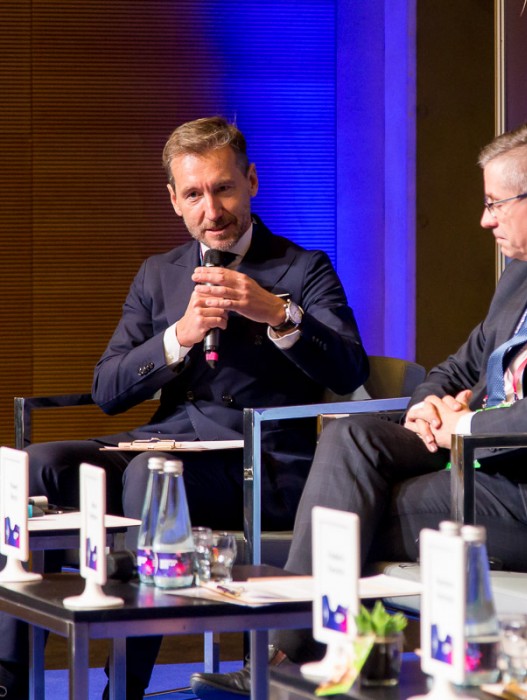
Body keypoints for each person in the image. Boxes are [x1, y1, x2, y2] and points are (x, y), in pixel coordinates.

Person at [189, 120, 527, 698]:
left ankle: (287, 660)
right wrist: (428, 408)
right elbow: (459, 366)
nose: (486, 220)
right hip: (482, 466)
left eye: (495, 204)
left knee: (350, 517)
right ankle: (303, 658)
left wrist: (468, 426)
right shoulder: (522, 278)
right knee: (350, 436)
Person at [0, 116, 369, 700]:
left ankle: (124, 688)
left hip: (259, 466)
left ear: (251, 181)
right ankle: (7, 680)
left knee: (153, 479)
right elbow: (107, 389)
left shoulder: (304, 268)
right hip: (164, 441)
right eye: (194, 194)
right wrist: (179, 336)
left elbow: (351, 370)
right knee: (33, 468)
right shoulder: (160, 273)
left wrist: (279, 314)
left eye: (223, 189)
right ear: (174, 200)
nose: (211, 210)